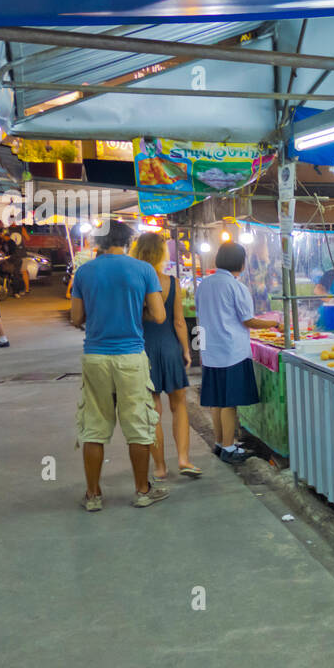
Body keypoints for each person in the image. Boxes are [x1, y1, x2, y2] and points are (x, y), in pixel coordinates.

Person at [69, 219, 168, 511]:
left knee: (94, 427)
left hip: (95, 356)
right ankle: (141, 490)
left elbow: (76, 318)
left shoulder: (84, 272)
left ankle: (93, 495)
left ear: (97, 243)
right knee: (138, 424)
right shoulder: (143, 270)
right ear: (128, 242)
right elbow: (160, 316)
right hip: (131, 356)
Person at [196, 242, 284, 464]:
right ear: (241, 263)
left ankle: (219, 443)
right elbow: (248, 320)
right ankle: (229, 448)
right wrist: (275, 323)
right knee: (229, 402)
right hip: (231, 351)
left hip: (210, 351)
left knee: (216, 401)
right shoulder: (237, 287)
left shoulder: (204, 284)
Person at [131, 232, 199, 481]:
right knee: (179, 405)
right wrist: (185, 350)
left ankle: (160, 468)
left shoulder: (134, 282)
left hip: (144, 347)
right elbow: (179, 322)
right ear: (162, 253)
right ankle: (183, 459)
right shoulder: (171, 282)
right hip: (170, 345)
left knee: (153, 410)